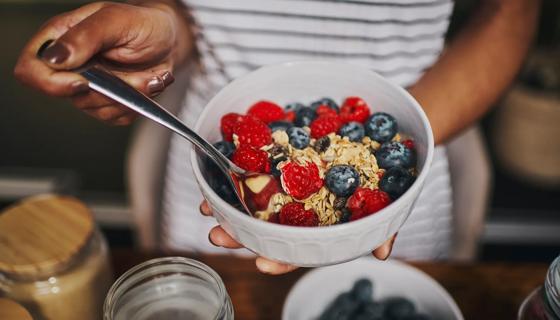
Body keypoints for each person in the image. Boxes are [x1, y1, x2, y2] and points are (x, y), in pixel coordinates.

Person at [14, 0, 539, 274]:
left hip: (398, 179)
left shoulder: (377, 166)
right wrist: (167, 30)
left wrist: (396, 140)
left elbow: (510, 12)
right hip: (220, 177)